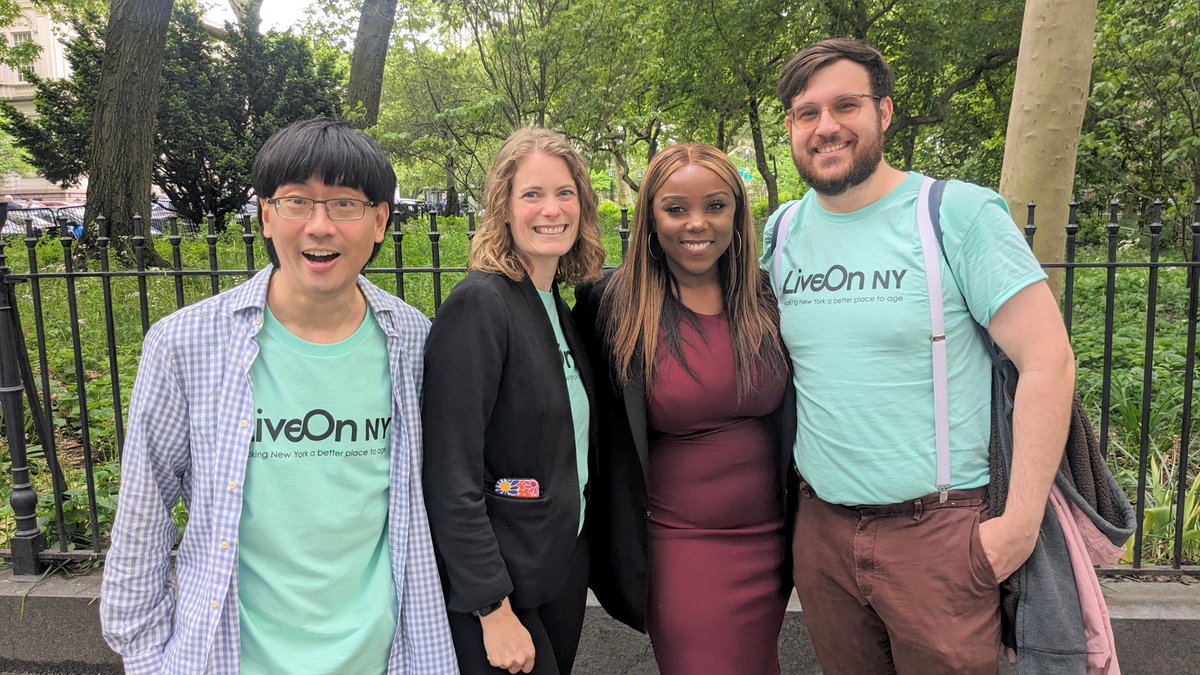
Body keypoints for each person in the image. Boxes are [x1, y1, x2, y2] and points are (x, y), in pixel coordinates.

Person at [762, 39, 1076, 673]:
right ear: (791, 127)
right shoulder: (783, 230)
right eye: (806, 112)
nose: (826, 127)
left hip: (939, 534)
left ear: (884, 112)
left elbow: (1050, 361)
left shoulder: (956, 213)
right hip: (821, 533)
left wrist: (1015, 529)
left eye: (845, 105)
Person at [100, 118, 458, 674]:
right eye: (296, 202)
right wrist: (144, 653)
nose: (320, 227)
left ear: (381, 221)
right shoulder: (185, 344)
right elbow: (144, 514)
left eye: (345, 204)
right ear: (266, 215)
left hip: (386, 657)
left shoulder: (413, 341)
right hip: (229, 659)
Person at [573, 144, 793, 674]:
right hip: (682, 549)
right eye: (676, 209)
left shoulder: (764, 297)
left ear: (737, 214)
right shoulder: (613, 307)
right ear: (651, 215)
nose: (697, 223)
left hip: (774, 546)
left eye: (715, 206)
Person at [422, 127, 605, 675]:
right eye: (532, 194)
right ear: (503, 208)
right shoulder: (481, 306)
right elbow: (450, 473)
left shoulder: (555, 305)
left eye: (565, 193)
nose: (551, 209)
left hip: (559, 570)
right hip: (502, 591)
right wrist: (491, 607)